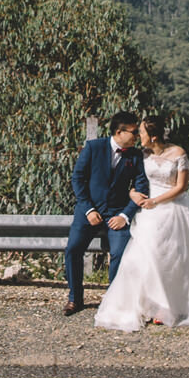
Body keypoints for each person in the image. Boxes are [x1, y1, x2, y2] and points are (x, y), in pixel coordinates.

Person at [92, 114, 189, 331]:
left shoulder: (178, 153)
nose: (138, 136)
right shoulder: (141, 154)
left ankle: (167, 306)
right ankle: (144, 302)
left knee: (171, 258)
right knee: (145, 255)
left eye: (142, 133)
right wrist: (133, 195)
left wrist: (155, 201)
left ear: (154, 137)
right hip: (148, 208)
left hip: (173, 207)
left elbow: (181, 187)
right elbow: (130, 182)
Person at [63, 113, 148, 316]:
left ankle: (113, 299)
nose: (137, 136)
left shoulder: (135, 156)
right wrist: (89, 209)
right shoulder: (93, 147)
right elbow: (78, 179)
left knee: (119, 253)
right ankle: (75, 298)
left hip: (117, 215)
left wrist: (125, 215)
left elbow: (141, 186)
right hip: (88, 212)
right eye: (134, 132)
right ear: (119, 132)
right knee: (73, 249)